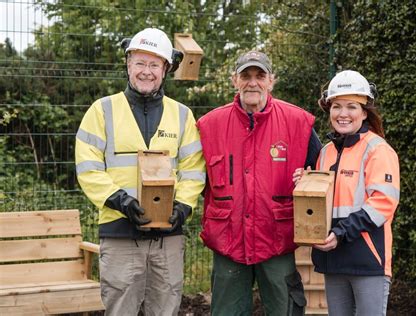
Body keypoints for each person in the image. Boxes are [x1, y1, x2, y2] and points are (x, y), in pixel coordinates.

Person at [75, 28, 205, 316]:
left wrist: (182, 208)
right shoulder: (102, 111)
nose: (146, 72)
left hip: (168, 238)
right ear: (128, 64)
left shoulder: (182, 115)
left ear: (166, 69)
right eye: (140, 63)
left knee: (166, 309)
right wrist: (120, 201)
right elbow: (88, 167)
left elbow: (193, 169)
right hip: (120, 234)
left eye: (154, 64)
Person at [196, 50, 322, 315]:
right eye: (246, 76)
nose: (253, 82)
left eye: (260, 75)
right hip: (228, 243)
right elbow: (194, 180)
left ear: (271, 81)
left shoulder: (298, 123)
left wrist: (307, 180)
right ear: (234, 80)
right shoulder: (209, 126)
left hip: (276, 240)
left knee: (284, 310)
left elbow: (322, 173)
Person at [293, 70, 400, 316]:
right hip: (334, 259)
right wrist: (305, 184)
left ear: (364, 112)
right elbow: (323, 201)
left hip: (367, 261)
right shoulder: (326, 152)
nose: (343, 114)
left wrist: (341, 232)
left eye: (352, 106)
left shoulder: (378, 150)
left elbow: (383, 203)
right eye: (337, 106)